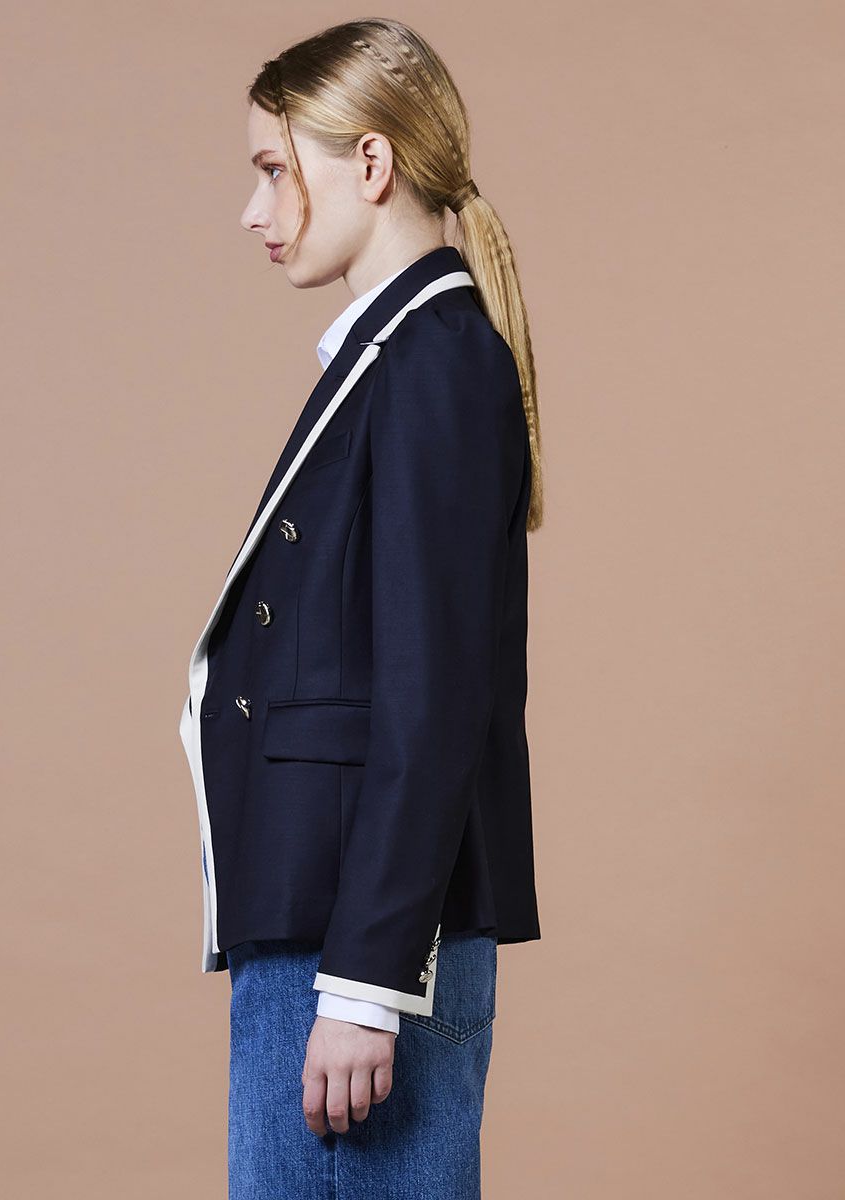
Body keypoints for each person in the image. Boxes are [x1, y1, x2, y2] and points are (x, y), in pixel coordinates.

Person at [179, 17, 543, 1198]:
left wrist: (366, 984)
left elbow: (435, 696)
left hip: (360, 946)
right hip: (335, 933)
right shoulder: (396, 358)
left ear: (370, 163)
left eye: (272, 168)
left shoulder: (435, 364)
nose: (253, 210)